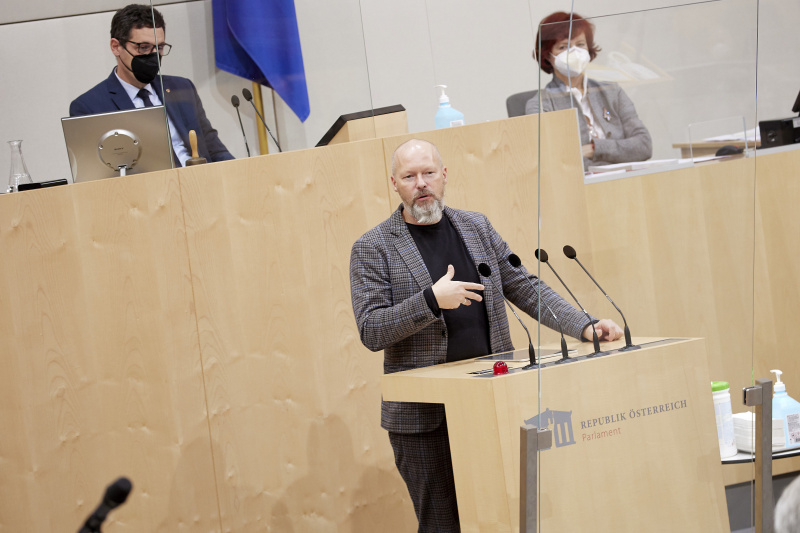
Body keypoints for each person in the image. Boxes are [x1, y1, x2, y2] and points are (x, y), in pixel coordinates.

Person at [349, 138, 623, 532]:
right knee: (444, 524)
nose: (421, 183)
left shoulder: (476, 226)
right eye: (409, 176)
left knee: (507, 514)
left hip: (494, 400)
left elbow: (525, 286)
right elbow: (371, 329)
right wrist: (430, 300)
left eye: (428, 173)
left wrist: (583, 325)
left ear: (444, 176)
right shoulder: (373, 247)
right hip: (426, 419)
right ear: (394, 184)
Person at [69, 4, 233, 165]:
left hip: (200, 182)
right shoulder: (89, 107)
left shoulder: (182, 87)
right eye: (144, 47)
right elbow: (97, 176)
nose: (153, 56)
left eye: (159, 47)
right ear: (116, 47)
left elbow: (214, 149)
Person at [525, 11, 652, 169]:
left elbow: (644, 146)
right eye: (563, 47)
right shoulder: (541, 105)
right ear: (548, 56)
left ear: (589, 49)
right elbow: (554, 160)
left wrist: (594, 149)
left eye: (580, 45)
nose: (574, 53)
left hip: (625, 181)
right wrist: (619, 151)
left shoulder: (612, 91)